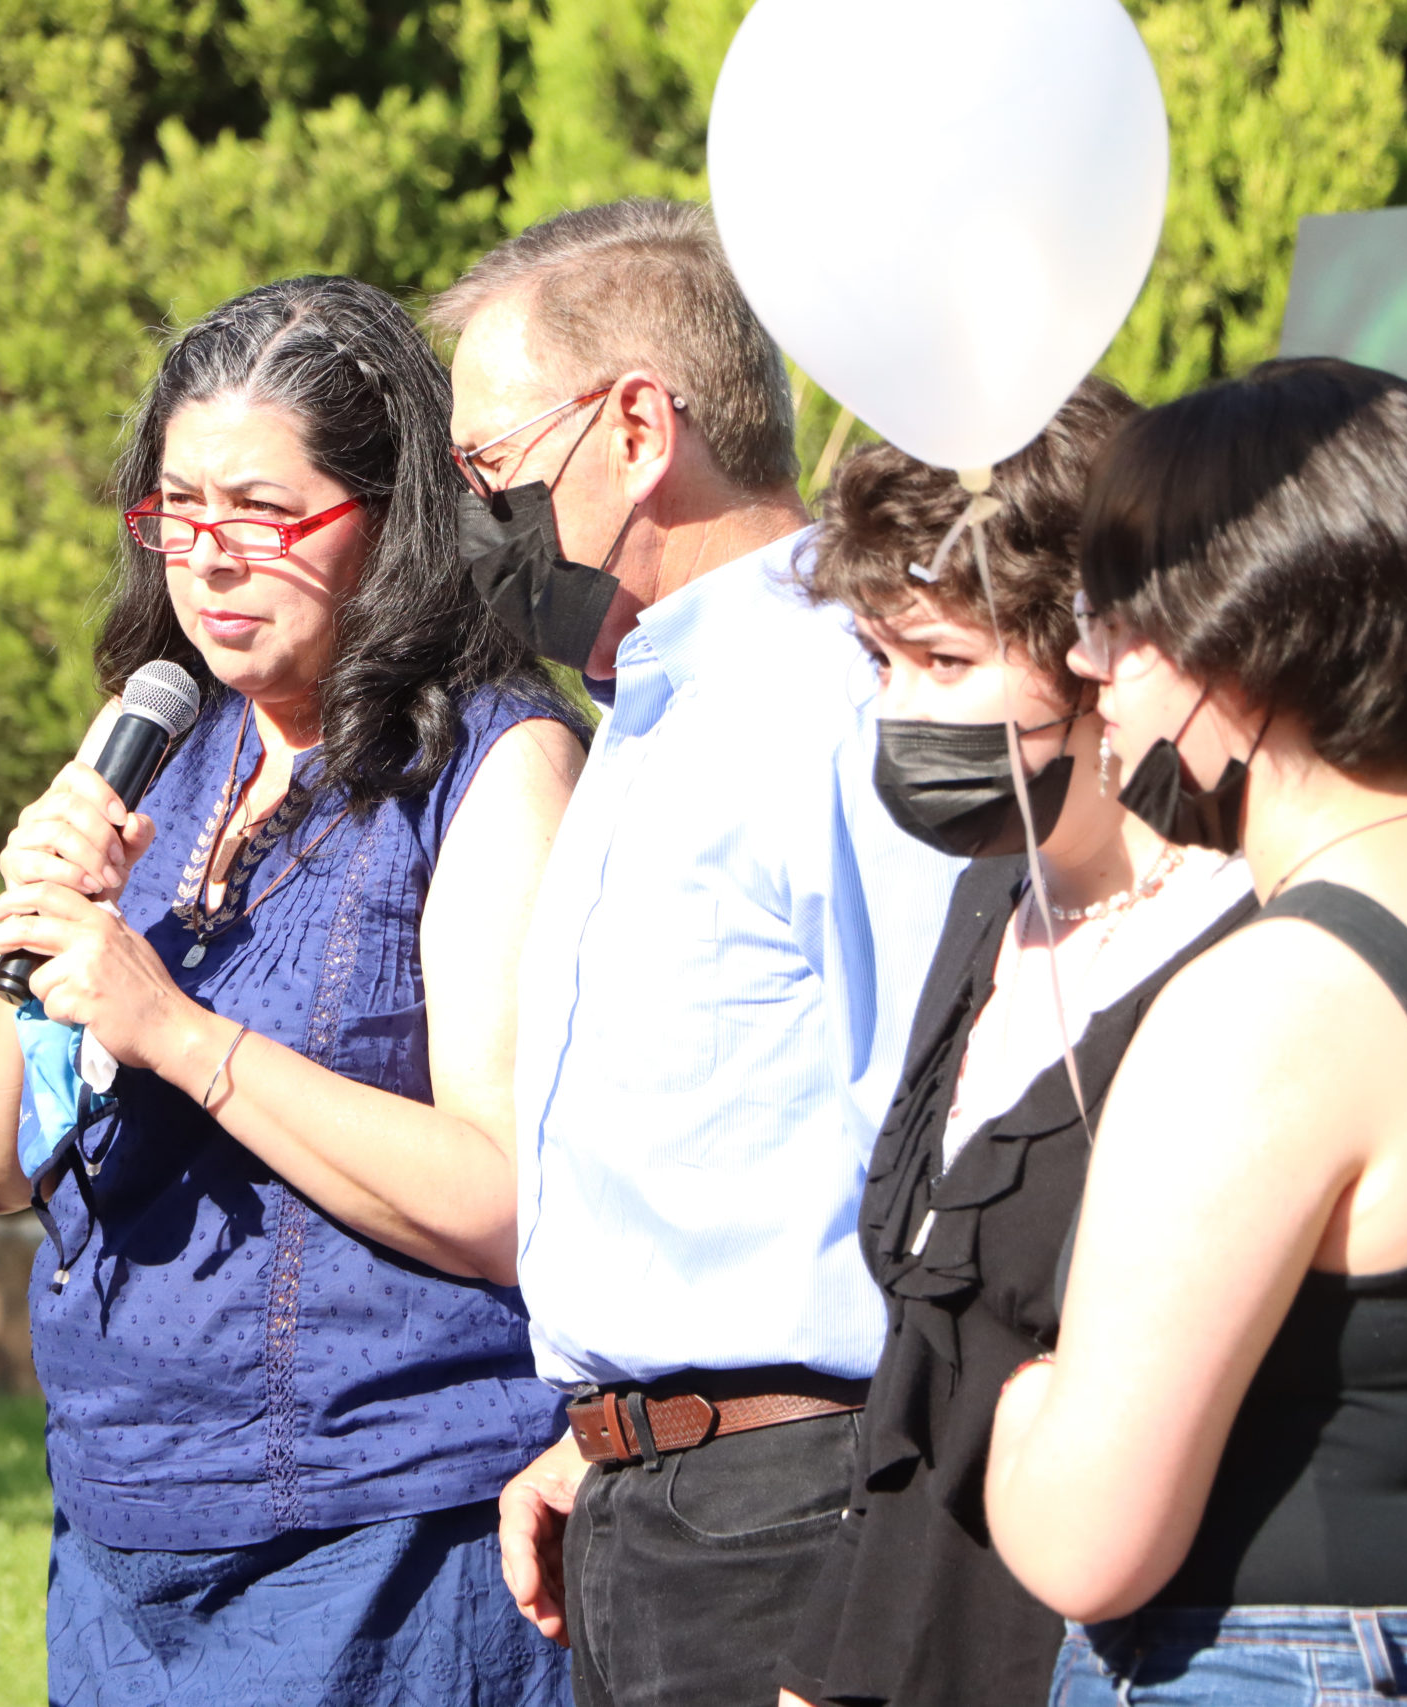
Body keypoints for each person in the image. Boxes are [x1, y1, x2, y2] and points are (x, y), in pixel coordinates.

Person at [775, 379, 1407, 1707]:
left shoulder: (1271, 991)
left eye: (1126, 624)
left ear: (1243, 647)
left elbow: (1091, 1542)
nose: (1099, 668)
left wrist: (1035, 1396)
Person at [0, 275, 584, 1707]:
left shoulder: (492, 764)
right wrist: (55, 902)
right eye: (177, 516)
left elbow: (508, 1203)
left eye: (264, 516)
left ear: (391, 517)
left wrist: (180, 1036)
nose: (209, 561)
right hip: (121, 1542)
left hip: (383, 1547)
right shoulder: (164, 750)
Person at [431, 199, 963, 1707]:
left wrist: (870, 1601)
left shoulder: (832, 708)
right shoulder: (655, 706)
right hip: (650, 1507)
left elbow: (940, 1169)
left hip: (801, 1523)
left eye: (491, 471)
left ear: (639, 427)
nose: (477, 524)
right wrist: (607, 1424)